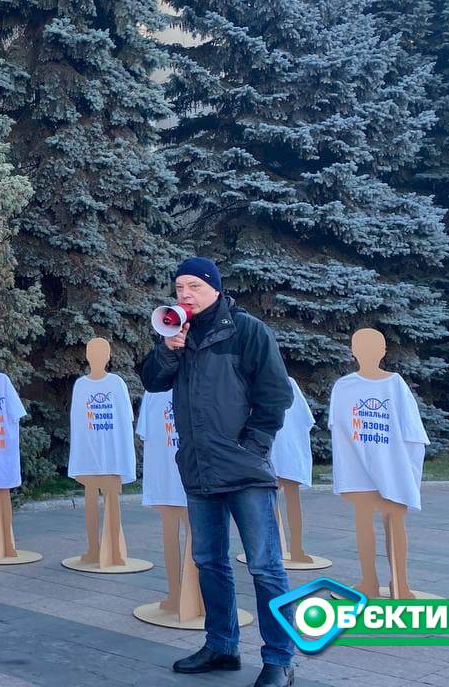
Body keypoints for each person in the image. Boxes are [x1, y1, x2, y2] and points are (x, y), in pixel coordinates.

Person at [141, 258, 296, 687]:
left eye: (193, 285)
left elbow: (275, 395)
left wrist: (253, 446)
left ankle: (280, 659)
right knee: (209, 562)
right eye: (178, 287)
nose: (184, 294)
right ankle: (221, 646)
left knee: (265, 567)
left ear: (214, 288)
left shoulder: (247, 331)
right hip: (198, 467)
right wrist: (166, 349)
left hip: (244, 469)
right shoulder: (176, 333)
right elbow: (152, 381)